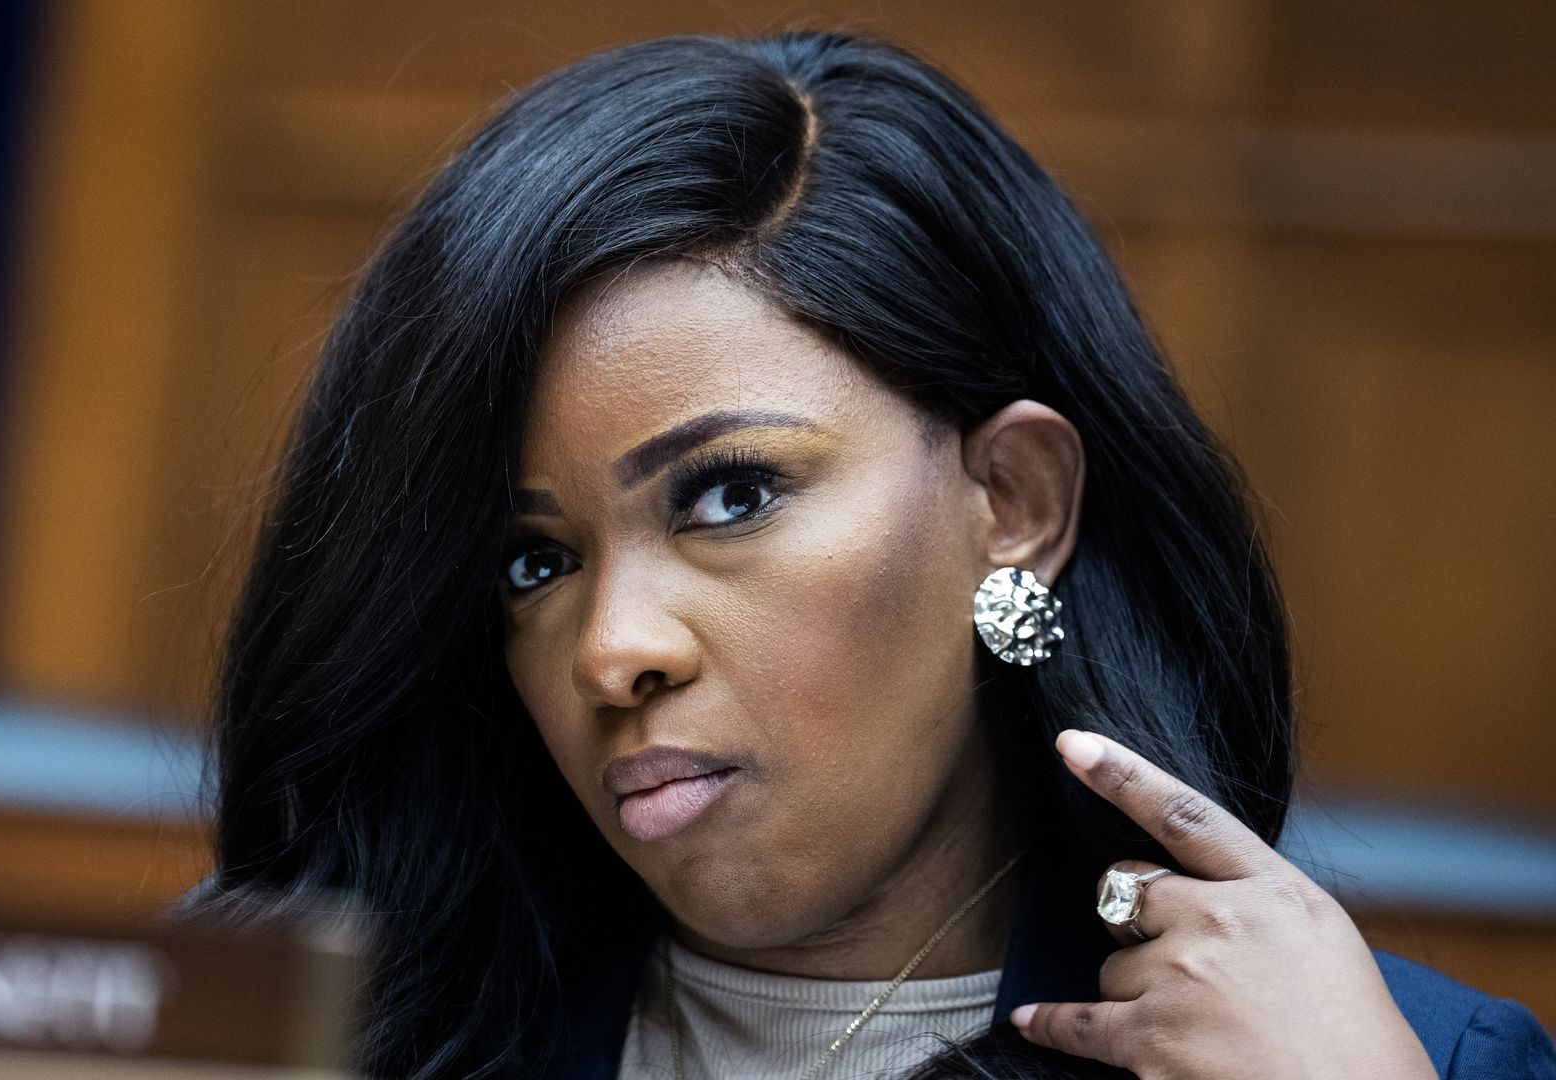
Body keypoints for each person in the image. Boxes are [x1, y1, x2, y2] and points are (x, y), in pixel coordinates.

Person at [178, 29, 1556, 1079]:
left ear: (1012, 499)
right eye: (533, 564)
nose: (613, 651)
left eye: (727, 497)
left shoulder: (1397, 1060)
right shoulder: (314, 1034)